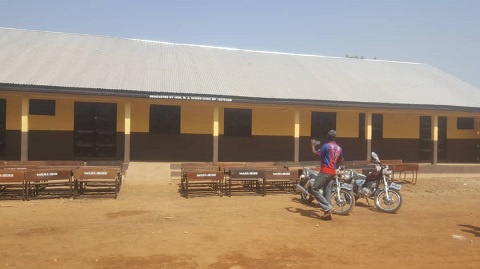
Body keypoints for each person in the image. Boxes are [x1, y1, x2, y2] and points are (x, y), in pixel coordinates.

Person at [310, 129, 344, 219]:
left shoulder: (326, 146)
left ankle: (328, 208)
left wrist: (313, 145)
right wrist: (334, 166)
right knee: (327, 191)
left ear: (328, 137)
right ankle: (328, 214)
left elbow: (315, 154)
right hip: (332, 172)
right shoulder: (339, 148)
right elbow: (341, 161)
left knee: (314, 189)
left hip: (325, 171)